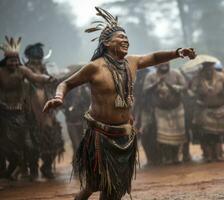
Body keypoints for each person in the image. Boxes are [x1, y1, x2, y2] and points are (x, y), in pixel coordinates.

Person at [43, 7, 196, 200]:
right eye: (120, 37)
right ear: (107, 42)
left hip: (124, 134)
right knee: (93, 184)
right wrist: (59, 97)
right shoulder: (94, 67)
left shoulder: (131, 62)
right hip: (100, 136)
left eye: (126, 38)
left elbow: (155, 57)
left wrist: (177, 52)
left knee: (114, 187)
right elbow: (66, 83)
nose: (126, 40)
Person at [0, 36, 52, 180]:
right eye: (11, 61)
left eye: (16, 60)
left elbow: (35, 77)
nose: (14, 63)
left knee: (27, 144)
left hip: (20, 114)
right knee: (5, 148)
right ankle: (8, 172)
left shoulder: (22, 70)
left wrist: (48, 78)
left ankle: (25, 170)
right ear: (6, 61)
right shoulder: (0, 72)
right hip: (3, 115)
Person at [24, 43, 64, 179]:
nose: (36, 64)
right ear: (28, 60)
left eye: (39, 60)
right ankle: (32, 169)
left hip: (47, 115)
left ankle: (46, 167)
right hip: (28, 115)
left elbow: (56, 85)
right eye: (34, 61)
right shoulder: (23, 73)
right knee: (30, 145)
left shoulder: (47, 73)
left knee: (55, 141)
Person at [143, 62, 187, 165]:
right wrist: (156, 83)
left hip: (177, 109)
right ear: (155, 65)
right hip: (160, 110)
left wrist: (170, 86)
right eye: (161, 63)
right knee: (163, 137)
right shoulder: (151, 76)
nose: (164, 65)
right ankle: (167, 157)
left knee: (178, 135)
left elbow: (184, 87)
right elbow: (145, 90)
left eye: (166, 62)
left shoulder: (176, 73)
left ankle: (176, 156)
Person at [191, 61, 224, 162]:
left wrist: (223, 91)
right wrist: (198, 98)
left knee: (218, 134)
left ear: (213, 69)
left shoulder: (221, 76)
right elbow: (191, 91)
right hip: (205, 110)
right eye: (206, 70)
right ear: (203, 70)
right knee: (207, 134)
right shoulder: (198, 78)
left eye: (210, 69)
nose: (208, 72)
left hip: (220, 108)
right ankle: (209, 156)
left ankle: (219, 155)